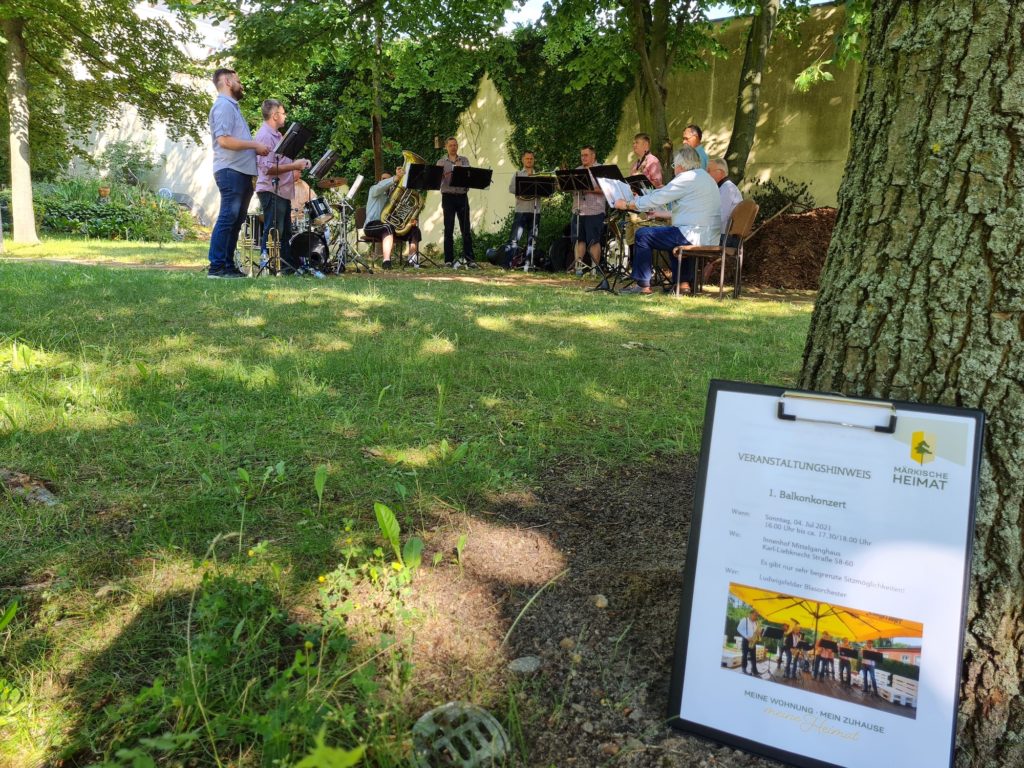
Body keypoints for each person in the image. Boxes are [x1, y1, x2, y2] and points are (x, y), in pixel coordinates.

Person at [613, 146, 720, 294]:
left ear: (681, 165)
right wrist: (660, 213)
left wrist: (627, 204)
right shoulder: (707, 179)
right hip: (710, 237)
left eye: (674, 165)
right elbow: (692, 211)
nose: (674, 169)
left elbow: (657, 198)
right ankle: (683, 285)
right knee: (672, 235)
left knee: (643, 234)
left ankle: (643, 285)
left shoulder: (685, 178)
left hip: (691, 235)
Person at [206, 68, 270, 278]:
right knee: (228, 216)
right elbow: (223, 140)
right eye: (238, 80)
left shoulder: (232, 107)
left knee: (237, 218)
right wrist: (254, 145)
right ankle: (216, 266)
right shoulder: (224, 105)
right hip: (230, 170)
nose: (241, 84)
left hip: (241, 172)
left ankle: (227, 265)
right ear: (226, 81)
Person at [254, 99, 311, 270]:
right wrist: (294, 166)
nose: (285, 116)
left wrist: (296, 166)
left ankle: (286, 267)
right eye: (283, 113)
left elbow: (279, 164)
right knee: (273, 229)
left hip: (283, 191)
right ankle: (268, 265)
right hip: (271, 189)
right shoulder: (264, 135)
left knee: (284, 231)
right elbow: (267, 168)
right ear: (275, 115)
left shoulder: (279, 136)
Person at [362, 166, 421, 270]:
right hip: (371, 225)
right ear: (380, 180)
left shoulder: (393, 196)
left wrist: (408, 220)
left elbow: (398, 216)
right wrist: (395, 178)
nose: (386, 181)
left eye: (388, 179)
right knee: (387, 227)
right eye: (384, 179)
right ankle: (386, 262)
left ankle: (412, 261)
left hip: (389, 226)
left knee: (414, 230)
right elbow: (381, 186)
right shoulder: (374, 189)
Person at [437, 137, 474, 267]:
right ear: (446, 147)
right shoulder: (441, 162)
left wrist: (462, 170)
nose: (453, 147)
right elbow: (436, 180)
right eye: (451, 145)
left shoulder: (464, 160)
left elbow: (470, 177)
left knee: (466, 229)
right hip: (448, 197)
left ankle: (470, 259)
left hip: (462, 196)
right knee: (449, 229)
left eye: (455, 145)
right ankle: (448, 260)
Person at [571, 145, 607, 275]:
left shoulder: (601, 170)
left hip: (595, 210)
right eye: (582, 155)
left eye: (586, 155)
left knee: (594, 240)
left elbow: (606, 190)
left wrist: (587, 188)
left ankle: (594, 269)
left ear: (593, 156)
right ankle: (579, 268)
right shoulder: (577, 170)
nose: (583, 158)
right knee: (578, 239)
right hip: (578, 209)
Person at [506, 150, 541, 265]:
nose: (529, 161)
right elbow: (511, 189)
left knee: (532, 239)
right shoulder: (518, 174)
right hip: (521, 210)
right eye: (527, 158)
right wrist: (525, 186)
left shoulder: (539, 175)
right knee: (515, 238)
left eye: (531, 159)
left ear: (533, 160)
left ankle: (528, 263)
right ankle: (510, 262)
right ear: (523, 160)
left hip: (535, 210)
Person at [736, 609, 761, 675]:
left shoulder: (756, 623)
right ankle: (744, 670)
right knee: (744, 655)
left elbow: (755, 632)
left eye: (757, 616)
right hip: (746, 640)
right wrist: (747, 637)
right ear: (751, 614)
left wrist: (758, 633)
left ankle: (754, 671)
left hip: (753, 641)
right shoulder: (744, 620)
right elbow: (739, 629)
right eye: (755, 615)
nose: (756, 617)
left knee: (753, 656)